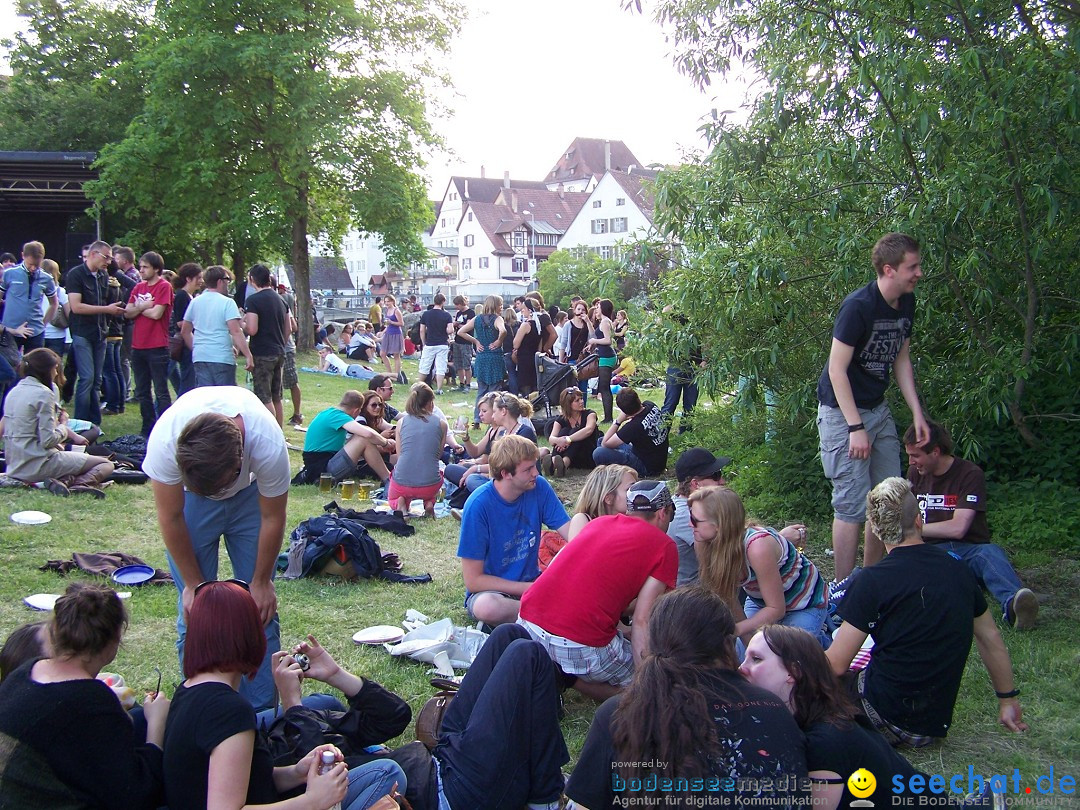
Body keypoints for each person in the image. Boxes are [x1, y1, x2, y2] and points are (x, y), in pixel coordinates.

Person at [162, 580, 404, 810]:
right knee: (387, 772)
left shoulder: (187, 691)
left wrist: (296, 771)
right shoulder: (229, 711)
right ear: (249, 635)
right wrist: (312, 802)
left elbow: (244, 780)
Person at [826, 477, 1028, 747]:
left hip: (883, 717)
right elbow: (990, 639)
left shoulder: (873, 580)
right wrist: (1008, 700)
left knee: (810, 676)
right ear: (919, 520)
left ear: (876, 530)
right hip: (931, 727)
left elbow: (836, 665)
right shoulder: (959, 570)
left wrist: (795, 659)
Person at [565, 587, 808, 809]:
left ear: (654, 644)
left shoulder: (619, 713)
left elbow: (584, 803)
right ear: (727, 646)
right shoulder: (773, 708)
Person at [144, 386, 291, 710]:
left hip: (251, 499)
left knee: (260, 608)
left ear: (240, 459)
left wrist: (262, 581)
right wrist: (194, 585)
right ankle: (200, 707)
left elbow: (272, 516)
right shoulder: (166, 440)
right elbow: (171, 517)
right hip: (191, 505)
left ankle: (262, 715)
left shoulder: (266, 442)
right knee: (195, 610)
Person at [817, 232, 929, 582]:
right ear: (888, 269)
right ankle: (843, 588)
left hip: (877, 411)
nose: (919, 273)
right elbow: (837, 370)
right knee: (851, 506)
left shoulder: (906, 303)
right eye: (912, 267)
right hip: (842, 414)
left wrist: (916, 411)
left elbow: (901, 359)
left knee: (889, 498)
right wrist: (855, 428)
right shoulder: (859, 307)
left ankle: (873, 579)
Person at [0, 582, 169, 808]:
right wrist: (158, 724)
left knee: (136, 719)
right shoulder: (91, 702)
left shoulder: (25, 672)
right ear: (114, 640)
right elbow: (136, 795)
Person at [519, 480, 678, 701]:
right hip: (578, 643)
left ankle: (558, 670)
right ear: (663, 512)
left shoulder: (598, 523)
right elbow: (643, 620)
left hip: (527, 626)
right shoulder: (664, 546)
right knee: (651, 685)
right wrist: (647, 677)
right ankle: (570, 678)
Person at [741, 626, 922, 810]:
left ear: (793, 671)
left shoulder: (825, 742)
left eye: (756, 659)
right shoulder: (812, 717)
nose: (741, 668)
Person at [904, 419, 1038, 629]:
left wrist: (912, 529)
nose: (911, 462)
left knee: (989, 553)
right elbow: (905, 512)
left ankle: (1014, 606)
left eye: (915, 456)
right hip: (929, 550)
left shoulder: (969, 474)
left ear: (936, 451)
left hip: (968, 549)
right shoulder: (915, 474)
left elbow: (958, 528)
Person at [690, 486, 829, 649]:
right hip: (761, 602)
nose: (690, 524)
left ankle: (823, 644)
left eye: (694, 520)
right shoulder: (703, 543)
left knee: (786, 658)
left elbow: (776, 609)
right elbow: (728, 597)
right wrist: (748, 646)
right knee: (748, 656)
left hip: (805, 602)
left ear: (719, 525)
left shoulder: (757, 547)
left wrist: (737, 630)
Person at [457, 435, 571, 626]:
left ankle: (543, 613)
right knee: (487, 607)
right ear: (506, 473)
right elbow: (474, 581)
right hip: (494, 592)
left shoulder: (539, 487)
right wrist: (531, 589)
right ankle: (549, 612)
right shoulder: (479, 505)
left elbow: (570, 532)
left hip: (534, 582)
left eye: (535, 466)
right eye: (528, 469)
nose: (536, 473)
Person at [1, 347, 115, 495]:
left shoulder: (14, 392)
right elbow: (48, 440)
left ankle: (64, 481)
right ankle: (80, 484)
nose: (56, 373)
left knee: (91, 457)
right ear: (46, 370)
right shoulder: (44, 393)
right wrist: (63, 425)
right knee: (106, 463)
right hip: (38, 464)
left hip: (15, 465)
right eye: (55, 369)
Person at [66, 240, 128, 423]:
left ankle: (93, 423)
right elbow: (76, 307)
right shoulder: (76, 275)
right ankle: (80, 422)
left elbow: (106, 304)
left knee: (96, 381)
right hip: (82, 333)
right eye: (106, 257)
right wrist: (107, 310)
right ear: (93, 254)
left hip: (101, 333)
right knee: (87, 378)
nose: (109, 261)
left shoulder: (103, 276)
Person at [388, 383, 460, 516]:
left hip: (402, 482)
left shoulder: (401, 423)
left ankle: (400, 502)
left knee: (393, 496)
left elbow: (400, 455)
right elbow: (437, 455)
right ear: (431, 403)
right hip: (430, 483)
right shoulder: (441, 424)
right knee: (434, 479)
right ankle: (429, 502)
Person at [298, 390, 395, 486]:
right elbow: (368, 434)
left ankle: (388, 478)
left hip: (319, 463)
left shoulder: (328, 413)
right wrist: (386, 443)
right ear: (357, 410)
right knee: (363, 438)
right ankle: (388, 479)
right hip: (321, 468)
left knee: (361, 437)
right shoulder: (338, 416)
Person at [125, 250, 174, 436]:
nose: (141, 270)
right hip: (138, 346)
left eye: (145, 267)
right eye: (141, 266)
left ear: (156, 268)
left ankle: (165, 427)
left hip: (157, 346)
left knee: (161, 390)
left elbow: (157, 314)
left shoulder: (164, 287)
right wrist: (144, 306)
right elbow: (127, 312)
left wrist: (139, 308)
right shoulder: (138, 288)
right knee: (142, 391)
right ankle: (147, 428)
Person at [447, 393, 536, 494]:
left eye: (494, 411)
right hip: (503, 479)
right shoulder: (504, 432)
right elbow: (494, 463)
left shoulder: (523, 432)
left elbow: (514, 467)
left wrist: (477, 468)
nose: (493, 416)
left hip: (518, 483)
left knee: (472, 479)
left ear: (503, 411)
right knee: (471, 477)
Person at [180, 265, 254, 387]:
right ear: (220, 281)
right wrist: (248, 355)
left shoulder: (195, 302)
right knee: (224, 398)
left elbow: (185, 331)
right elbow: (235, 331)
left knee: (207, 399)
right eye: (227, 280)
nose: (228, 283)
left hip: (201, 356)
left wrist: (197, 348)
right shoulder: (227, 302)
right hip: (221, 357)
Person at [668, 448, 732, 586]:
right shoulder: (687, 516)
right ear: (695, 484)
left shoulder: (683, 503)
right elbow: (730, 552)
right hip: (696, 593)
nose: (722, 481)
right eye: (716, 475)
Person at [243, 263, 290, 426]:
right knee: (277, 395)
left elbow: (252, 329)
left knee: (264, 396)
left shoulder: (253, 300)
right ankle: (280, 431)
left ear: (252, 279)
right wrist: (279, 343)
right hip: (279, 351)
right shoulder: (281, 300)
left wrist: (241, 323)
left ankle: (271, 432)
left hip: (262, 353)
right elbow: (288, 328)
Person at [592, 387, 669, 476]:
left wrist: (618, 421)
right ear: (638, 399)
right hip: (657, 458)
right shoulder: (650, 405)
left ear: (623, 411)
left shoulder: (633, 426)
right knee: (600, 440)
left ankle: (609, 473)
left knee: (599, 452)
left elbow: (605, 444)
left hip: (646, 466)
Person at [0, 240, 57, 352]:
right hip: (11, 330)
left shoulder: (47, 279)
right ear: (23, 255)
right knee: (9, 366)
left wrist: (43, 324)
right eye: (30, 264)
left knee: (35, 366)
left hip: (35, 331)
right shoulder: (10, 274)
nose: (33, 268)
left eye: (37, 264)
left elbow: (54, 303)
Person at [457, 294, 506, 421]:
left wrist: (476, 341)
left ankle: (477, 418)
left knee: (481, 391)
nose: (502, 307)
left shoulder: (477, 318)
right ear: (495, 305)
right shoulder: (497, 319)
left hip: (481, 357)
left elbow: (460, 331)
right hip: (494, 357)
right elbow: (503, 331)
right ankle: (493, 418)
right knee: (494, 392)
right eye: (500, 305)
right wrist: (499, 341)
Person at [567, 464, 637, 540]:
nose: (638, 493)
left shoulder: (636, 520)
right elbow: (576, 551)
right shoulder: (583, 521)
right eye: (630, 489)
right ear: (608, 498)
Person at [540, 387, 598, 477]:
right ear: (568, 404)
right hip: (573, 459)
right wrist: (559, 441)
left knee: (575, 431)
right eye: (577, 400)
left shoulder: (590, 414)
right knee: (564, 431)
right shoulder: (561, 419)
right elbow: (552, 439)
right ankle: (554, 463)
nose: (581, 402)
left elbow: (588, 430)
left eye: (581, 399)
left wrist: (568, 439)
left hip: (587, 455)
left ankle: (563, 464)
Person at [169, 262, 203, 397]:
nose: (201, 281)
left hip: (188, 341)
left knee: (187, 379)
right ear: (188, 279)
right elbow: (180, 323)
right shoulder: (182, 296)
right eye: (198, 278)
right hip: (184, 343)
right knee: (187, 381)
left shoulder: (190, 296)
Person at [588, 298, 617, 423]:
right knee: (603, 387)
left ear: (603, 309)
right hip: (605, 356)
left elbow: (607, 340)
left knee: (604, 388)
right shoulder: (605, 321)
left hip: (607, 357)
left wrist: (594, 342)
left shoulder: (605, 322)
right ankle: (607, 416)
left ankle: (608, 418)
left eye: (598, 307)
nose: (596, 309)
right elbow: (597, 336)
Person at [417, 293, 453, 392]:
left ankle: (418, 387)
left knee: (425, 366)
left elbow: (422, 330)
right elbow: (450, 330)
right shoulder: (446, 315)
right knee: (441, 367)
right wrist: (445, 329)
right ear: (443, 302)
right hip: (442, 343)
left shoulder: (426, 314)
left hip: (430, 343)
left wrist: (424, 342)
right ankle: (439, 388)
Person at [450, 294, 475, 392]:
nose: (456, 307)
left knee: (466, 364)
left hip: (466, 341)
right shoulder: (458, 313)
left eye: (457, 304)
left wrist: (458, 324)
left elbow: (468, 326)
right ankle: (461, 383)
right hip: (457, 341)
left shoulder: (470, 313)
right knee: (458, 364)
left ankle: (468, 384)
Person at [379, 295, 405, 382]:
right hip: (388, 333)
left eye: (388, 301)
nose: (387, 303)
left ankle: (397, 375)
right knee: (382, 353)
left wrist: (392, 322)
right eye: (385, 302)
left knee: (396, 355)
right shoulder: (387, 310)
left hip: (396, 334)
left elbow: (401, 323)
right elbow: (388, 325)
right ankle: (389, 373)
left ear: (393, 301)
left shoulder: (396, 311)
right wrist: (382, 332)